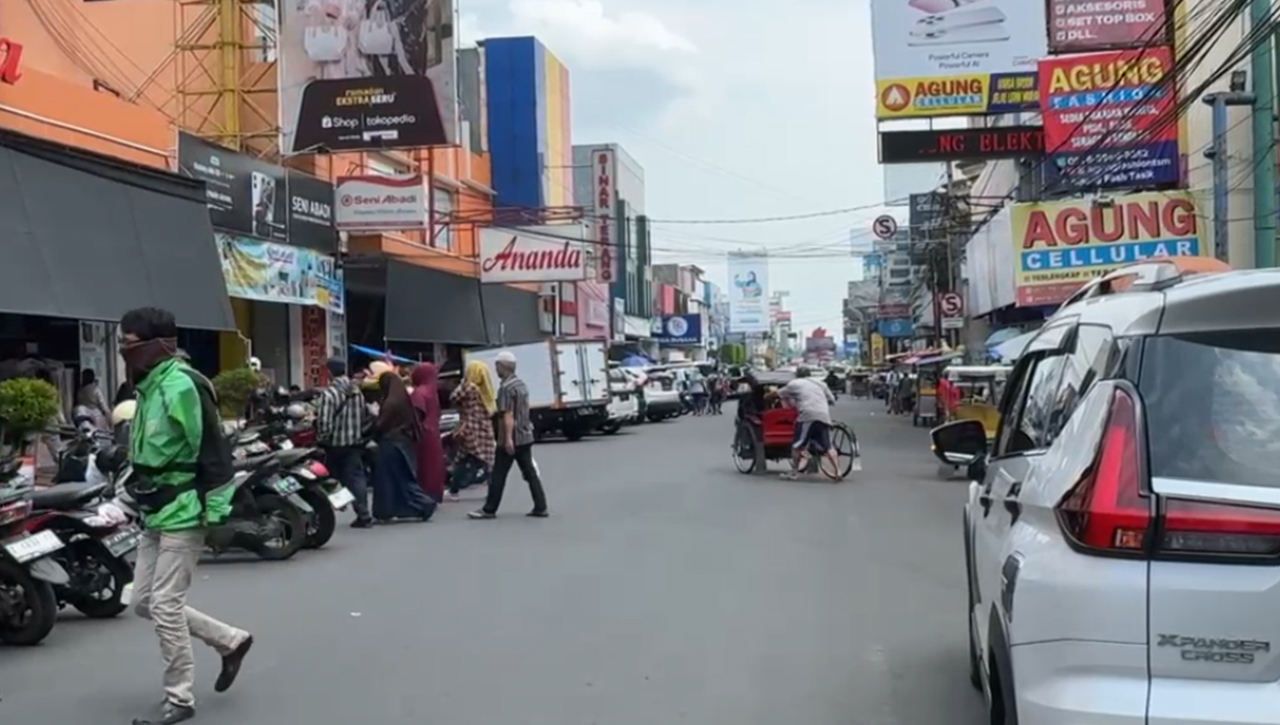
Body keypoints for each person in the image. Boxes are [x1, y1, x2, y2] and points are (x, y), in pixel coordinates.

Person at [118, 307, 252, 725]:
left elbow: (214, 455)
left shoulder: (183, 386)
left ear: (159, 345)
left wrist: (216, 516)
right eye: (122, 343)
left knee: (165, 605)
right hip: (154, 509)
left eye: (131, 343)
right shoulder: (145, 386)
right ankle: (231, 641)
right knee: (141, 602)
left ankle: (179, 698)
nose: (125, 350)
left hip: (185, 510)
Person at [469, 352, 548, 519]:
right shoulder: (521, 385)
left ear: (503, 367)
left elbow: (508, 415)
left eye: (497, 365)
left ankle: (489, 509)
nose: (496, 369)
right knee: (530, 472)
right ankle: (541, 505)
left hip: (511, 438)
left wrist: (508, 439)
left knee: (498, 474)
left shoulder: (505, 388)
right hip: (525, 435)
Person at [314, 357, 374, 528]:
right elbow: (363, 417)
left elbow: (325, 423)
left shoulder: (329, 394)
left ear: (329, 372)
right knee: (356, 479)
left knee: (327, 480)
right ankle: (363, 514)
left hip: (334, 445)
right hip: (354, 443)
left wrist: (321, 439)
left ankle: (331, 511)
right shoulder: (356, 391)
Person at [370, 371, 435, 521]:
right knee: (395, 478)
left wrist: (373, 421)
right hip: (402, 442)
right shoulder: (402, 398)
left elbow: (381, 424)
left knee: (398, 478)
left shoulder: (391, 403)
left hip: (391, 443)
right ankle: (388, 511)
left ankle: (424, 504)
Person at [776, 366, 840, 481]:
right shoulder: (821, 384)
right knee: (828, 446)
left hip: (808, 416)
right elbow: (832, 400)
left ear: (797, 375)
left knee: (796, 445)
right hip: (824, 415)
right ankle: (838, 471)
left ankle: (794, 472)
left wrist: (768, 396)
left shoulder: (795, 383)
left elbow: (779, 394)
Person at [448, 360, 497, 501]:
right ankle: (492, 491)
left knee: (463, 459)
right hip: (485, 428)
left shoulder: (469, 387)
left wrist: (463, 382)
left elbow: (453, 396)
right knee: (487, 460)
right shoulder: (486, 387)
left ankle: (454, 490)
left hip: (471, 428)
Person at [408, 363, 446, 503]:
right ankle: (435, 493)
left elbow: (416, 415)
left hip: (422, 434)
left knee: (424, 466)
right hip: (434, 432)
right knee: (434, 465)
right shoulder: (432, 391)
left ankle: (424, 495)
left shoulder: (419, 392)